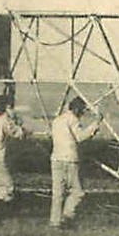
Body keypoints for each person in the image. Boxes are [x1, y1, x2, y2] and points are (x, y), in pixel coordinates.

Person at [49, 96, 100, 228]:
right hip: (70, 159)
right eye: (82, 110)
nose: (82, 113)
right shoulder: (73, 120)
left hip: (56, 158)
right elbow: (80, 136)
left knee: (58, 192)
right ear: (77, 109)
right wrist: (95, 124)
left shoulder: (57, 120)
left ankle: (55, 221)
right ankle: (67, 215)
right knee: (77, 192)